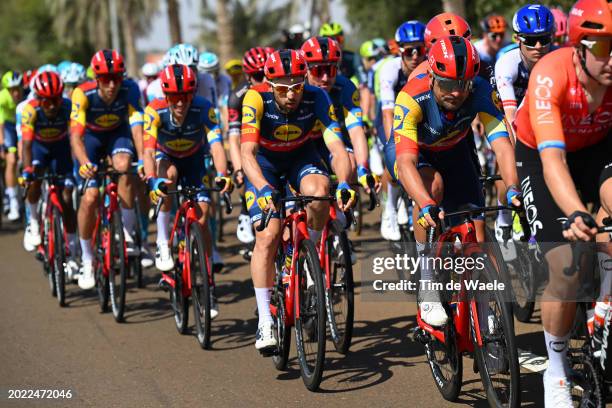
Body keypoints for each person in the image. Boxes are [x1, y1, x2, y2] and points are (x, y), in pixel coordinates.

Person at [512, 0, 611, 404]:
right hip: (541, 153)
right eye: (603, 48)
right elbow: (553, 160)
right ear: (578, 48)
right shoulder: (550, 76)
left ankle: (603, 307)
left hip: (597, 148)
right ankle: (555, 371)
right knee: (566, 260)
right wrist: (575, 211)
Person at [391, 36, 520, 326]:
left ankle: (485, 317)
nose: (456, 92)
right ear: (432, 75)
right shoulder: (412, 96)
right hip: (415, 153)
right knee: (432, 187)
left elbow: (502, 145)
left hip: (452, 149)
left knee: (478, 230)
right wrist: (424, 203)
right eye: (447, 84)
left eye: (463, 84)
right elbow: (405, 162)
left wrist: (512, 188)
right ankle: (427, 282)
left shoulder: (481, 91)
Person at [240, 49, 355, 351]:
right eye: (282, 88)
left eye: (296, 86)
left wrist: (343, 182)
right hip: (264, 163)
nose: (290, 95)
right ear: (269, 83)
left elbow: (337, 148)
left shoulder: (317, 96)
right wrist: (263, 188)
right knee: (269, 235)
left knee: (321, 193)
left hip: (300, 157)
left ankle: (309, 258)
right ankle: (265, 319)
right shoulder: (255, 98)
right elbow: (247, 153)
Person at [144, 63, 232, 319]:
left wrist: (223, 174)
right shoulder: (155, 110)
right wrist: (152, 180)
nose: (180, 103)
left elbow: (216, 147)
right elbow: (148, 151)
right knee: (167, 178)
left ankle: (209, 283)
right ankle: (162, 241)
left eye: (185, 96)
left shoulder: (204, 107)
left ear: (193, 93)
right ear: (165, 95)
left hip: (195, 161)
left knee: (202, 219)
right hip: (167, 159)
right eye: (174, 96)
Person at [70, 49, 144, 290]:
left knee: (125, 167)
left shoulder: (130, 89)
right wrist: (84, 163)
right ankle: (87, 259)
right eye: (105, 79)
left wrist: (143, 159)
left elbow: (136, 129)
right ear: (96, 78)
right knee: (90, 198)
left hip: (117, 135)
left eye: (116, 78)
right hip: (90, 141)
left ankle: (126, 229)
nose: (111, 85)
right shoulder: (82, 94)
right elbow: (76, 137)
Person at [301, 36, 379, 199]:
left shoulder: (345, 87)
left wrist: (363, 167)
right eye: (317, 71)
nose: (324, 78)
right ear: (305, 69)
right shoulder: (296, 89)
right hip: (302, 142)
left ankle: (343, 212)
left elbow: (357, 131)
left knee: (350, 164)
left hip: (332, 138)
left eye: (330, 70)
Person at [20, 72, 80, 277]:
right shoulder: (30, 110)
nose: (52, 106)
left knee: (66, 198)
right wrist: (27, 171)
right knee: (34, 178)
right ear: (38, 98)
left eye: (56, 99)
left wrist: (78, 165)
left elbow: (76, 138)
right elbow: (26, 145)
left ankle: (72, 252)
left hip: (61, 150)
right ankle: (34, 223)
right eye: (47, 101)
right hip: (38, 149)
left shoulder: (68, 106)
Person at [378, 21, 427, 241]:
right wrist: (395, 145)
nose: (415, 55)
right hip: (393, 120)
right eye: (409, 50)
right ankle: (389, 208)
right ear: (399, 50)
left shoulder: (429, 67)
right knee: (394, 164)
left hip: (419, 119)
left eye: (420, 49)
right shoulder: (390, 69)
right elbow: (388, 113)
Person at [228, 47, 269, 246]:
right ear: (247, 77)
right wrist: (238, 169)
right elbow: (235, 139)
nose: (263, 81)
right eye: (257, 76)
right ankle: (246, 210)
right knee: (247, 171)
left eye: (267, 74)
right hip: (250, 141)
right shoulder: (237, 97)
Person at [0, 71, 24, 221]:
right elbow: (0, 125)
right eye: (12, 90)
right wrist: (2, 144)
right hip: (8, 127)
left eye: (18, 89)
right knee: (11, 161)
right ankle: (13, 200)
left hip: (23, 124)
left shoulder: (27, 95)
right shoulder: (2, 98)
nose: (16, 93)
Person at [198, 52, 232, 132]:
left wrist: (228, 129)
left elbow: (225, 105)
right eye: (208, 73)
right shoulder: (196, 82)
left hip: (218, 114)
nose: (212, 77)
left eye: (214, 72)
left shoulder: (224, 79)